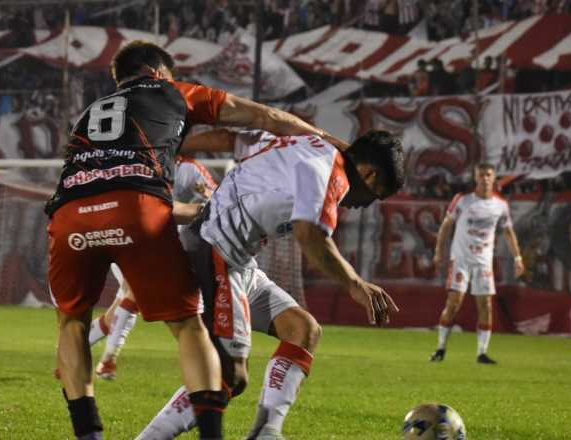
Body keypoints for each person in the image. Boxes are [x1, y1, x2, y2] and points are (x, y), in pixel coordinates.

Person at [43, 41, 346, 440]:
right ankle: (211, 434)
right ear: (158, 72)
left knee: (70, 323)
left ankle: (89, 433)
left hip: (69, 213)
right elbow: (265, 115)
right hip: (138, 208)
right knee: (187, 326)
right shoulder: (173, 91)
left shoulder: (88, 114)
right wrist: (322, 138)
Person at [136, 129, 404, 440]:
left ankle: (267, 433)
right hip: (213, 251)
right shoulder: (331, 174)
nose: (365, 204)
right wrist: (356, 284)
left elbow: (229, 138)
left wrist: (169, 146)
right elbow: (309, 235)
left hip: (237, 260)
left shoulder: (305, 145)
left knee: (302, 330)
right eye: (376, 195)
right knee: (227, 375)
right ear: (369, 175)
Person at [87, 157, 217, 381]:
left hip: (167, 248)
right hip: (131, 239)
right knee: (134, 294)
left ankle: (72, 348)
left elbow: (214, 197)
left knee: (119, 311)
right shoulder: (133, 165)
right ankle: (108, 360)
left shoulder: (188, 169)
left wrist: (206, 198)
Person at [431, 163, 524, 365]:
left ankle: (482, 352)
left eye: (488, 175)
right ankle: (440, 348)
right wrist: (439, 251)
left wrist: (518, 257)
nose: (484, 179)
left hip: (483, 262)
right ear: (476, 177)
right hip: (461, 259)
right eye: (481, 175)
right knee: (454, 303)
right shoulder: (463, 200)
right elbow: (446, 226)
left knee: (486, 306)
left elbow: (508, 231)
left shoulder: (500, 205)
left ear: (494, 177)